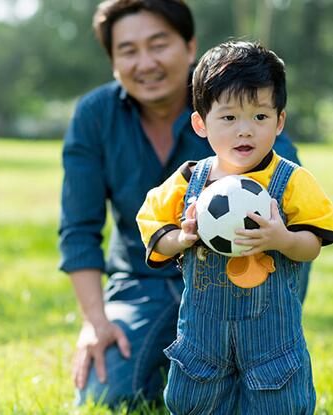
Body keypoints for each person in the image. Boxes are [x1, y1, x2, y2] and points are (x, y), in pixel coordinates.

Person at [59, 0, 308, 408]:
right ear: (113, 60)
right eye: (128, 50)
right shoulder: (95, 115)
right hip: (143, 282)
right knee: (109, 391)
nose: (146, 62)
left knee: (258, 385)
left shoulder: (236, 101)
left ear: (189, 47)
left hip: (242, 274)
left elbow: (291, 193)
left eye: (158, 44)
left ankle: (261, 348)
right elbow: (79, 229)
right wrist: (95, 321)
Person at [137, 41, 333, 414]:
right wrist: (182, 237)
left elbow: (313, 244)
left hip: (272, 341)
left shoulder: (291, 181)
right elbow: (152, 224)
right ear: (200, 123)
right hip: (202, 340)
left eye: (259, 117)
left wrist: (284, 239)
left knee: (278, 404)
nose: (245, 131)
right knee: (197, 403)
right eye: (228, 118)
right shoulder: (189, 181)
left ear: (279, 122)